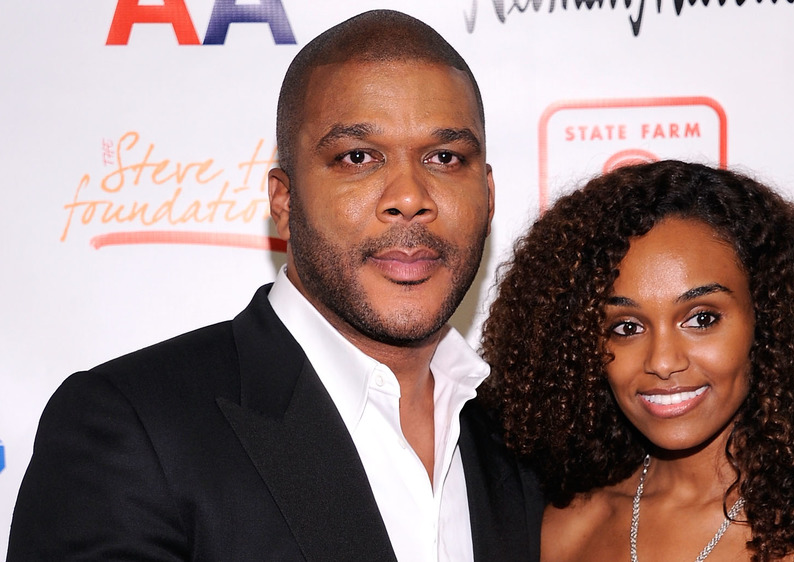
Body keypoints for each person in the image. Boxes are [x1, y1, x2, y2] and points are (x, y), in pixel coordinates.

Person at [8, 10, 541, 562]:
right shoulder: (131, 429)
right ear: (284, 202)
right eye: (358, 157)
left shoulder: (524, 441)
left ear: (488, 194)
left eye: (444, 157)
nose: (409, 196)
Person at [479, 160, 794, 561]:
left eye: (701, 318)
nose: (662, 361)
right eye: (626, 327)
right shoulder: (566, 532)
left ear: (770, 319)